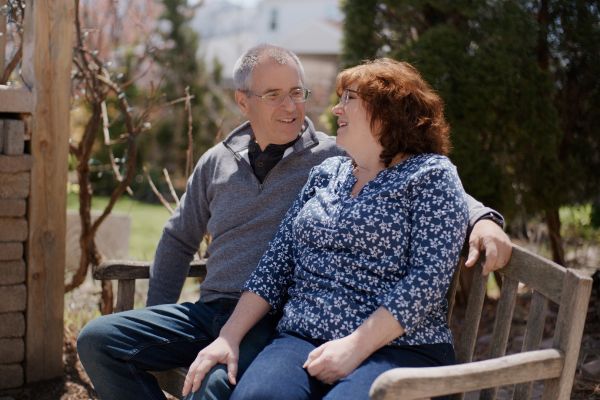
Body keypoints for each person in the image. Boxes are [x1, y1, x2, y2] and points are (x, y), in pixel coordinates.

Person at [77, 45, 511, 400]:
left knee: (214, 387)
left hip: (342, 333)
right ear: (243, 101)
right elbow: (229, 252)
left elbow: (436, 214)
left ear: (385, 115)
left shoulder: (348, 156)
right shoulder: (314, 171)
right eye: (274, 95)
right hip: (244, 317)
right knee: (101, 340)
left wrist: (483, 220)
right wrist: (208, 330)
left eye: (298, 92)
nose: (306, 108)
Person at [183, 57, 469, 400]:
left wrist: (354, 347)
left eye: (349, 98)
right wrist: (227, 337)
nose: (336, 109)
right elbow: (275, 265)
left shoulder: (430, 175)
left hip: (399, 348)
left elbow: (428, 280)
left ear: (386, 112)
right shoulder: (327, 173)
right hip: (303, 337)